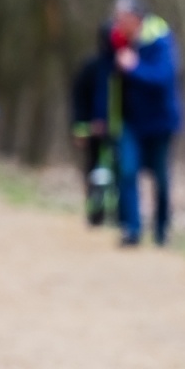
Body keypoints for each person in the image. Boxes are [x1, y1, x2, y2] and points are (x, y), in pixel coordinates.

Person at [94, 0, 180, 246]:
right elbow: (105, 82)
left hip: (160, 121)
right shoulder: (116, 43)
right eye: (116, 18)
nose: (117, 23)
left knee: (160, 178)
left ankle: (161, 230)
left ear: (136, 18)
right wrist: (101, 116)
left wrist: (134, 67)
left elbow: (163, 77)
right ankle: (132, 229)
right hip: (129, 121)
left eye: (122, 18)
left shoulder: (160, 39)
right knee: (128, 170)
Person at [72, 24, 118, 227]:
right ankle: (94, 211)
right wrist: (81, 127)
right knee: (93, 170)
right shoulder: (91, 67)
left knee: (118, 170)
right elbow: (79, 99)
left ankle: (117, 212)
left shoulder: (124, 66)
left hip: (119, 129)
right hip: (92, 128)